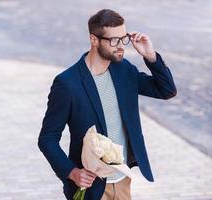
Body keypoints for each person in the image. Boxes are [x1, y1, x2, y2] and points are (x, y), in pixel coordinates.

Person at [38, 9, 177, 200]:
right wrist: (72, 172)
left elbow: (166, 90)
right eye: (114, 40)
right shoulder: (68, 83)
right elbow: (47, 138)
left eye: (123, 39)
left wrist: (150, 56)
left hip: (122, 180)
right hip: (90, 188)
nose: (121, 46)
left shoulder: (124, 70)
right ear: (94, 40)